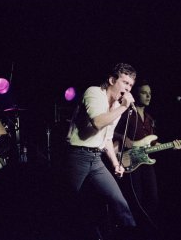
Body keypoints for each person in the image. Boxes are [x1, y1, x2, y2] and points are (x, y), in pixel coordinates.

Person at [64, 63, 138, 240]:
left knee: (119, 202)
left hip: (95, 160)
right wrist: (122, 107)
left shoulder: (117, 107)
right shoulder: (94, 93)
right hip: (77, 156)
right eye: (125, 82)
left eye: (131, 85)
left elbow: (106, 138)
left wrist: (115, 164)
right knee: (65, 203)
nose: (128, 88)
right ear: (112, 80)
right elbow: (97, 122)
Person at [114, 79, 181, 240]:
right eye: (145, 92)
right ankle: (131, 231)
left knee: (153, 198)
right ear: (136, 94)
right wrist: (125, 140)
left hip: (146, 161)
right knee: (135, 198)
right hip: (129, 159)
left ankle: (146, 230)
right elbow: (111, 132)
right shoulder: (126, 113)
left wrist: (170, 145)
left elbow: (152, 142)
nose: (148, 96)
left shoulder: (150, 118)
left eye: (150, 93)